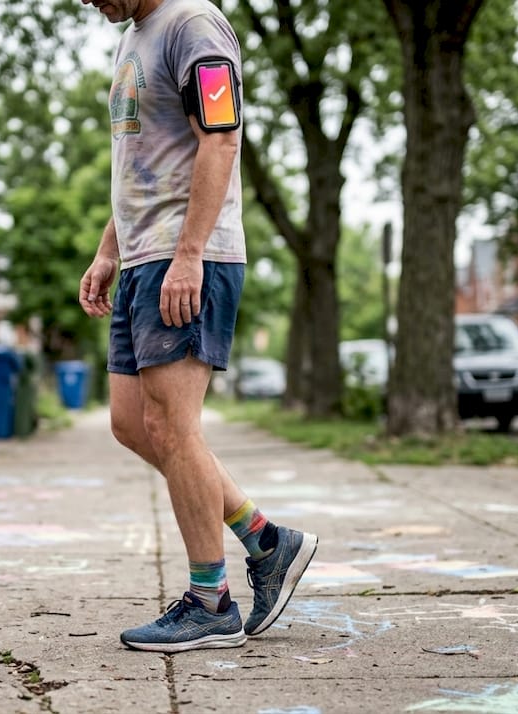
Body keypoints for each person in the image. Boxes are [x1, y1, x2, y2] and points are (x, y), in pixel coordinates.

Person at [78, 0, 318, 653]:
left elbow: (220, 137)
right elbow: (142, 162)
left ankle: (209, 601)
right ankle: (265, 539)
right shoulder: (133, 37)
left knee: (175, 428)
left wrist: (187, 254)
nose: (85, 1)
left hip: (187, 260)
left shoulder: (196, 26)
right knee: (133, 424)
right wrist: (110, 249)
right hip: (144, 258)